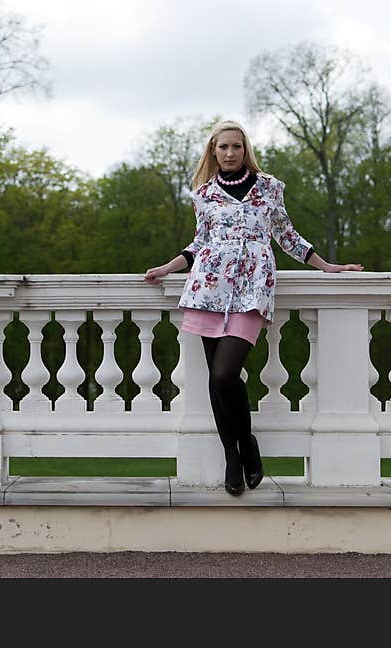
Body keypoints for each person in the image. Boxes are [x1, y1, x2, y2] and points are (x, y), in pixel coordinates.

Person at [144, 120, 363, 496]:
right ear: (213, 152)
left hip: (252, 289)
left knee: (227, 374)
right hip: (207, 289)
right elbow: (199, 243)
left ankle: (248, 444)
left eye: (236, 147)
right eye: (223, 147)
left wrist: (327, 266)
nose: (230, 153)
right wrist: (168, 267)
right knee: (216, 379)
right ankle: (234, 455)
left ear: (246, 150)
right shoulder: (204, 195)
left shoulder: (268, 189)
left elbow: (286, 236)